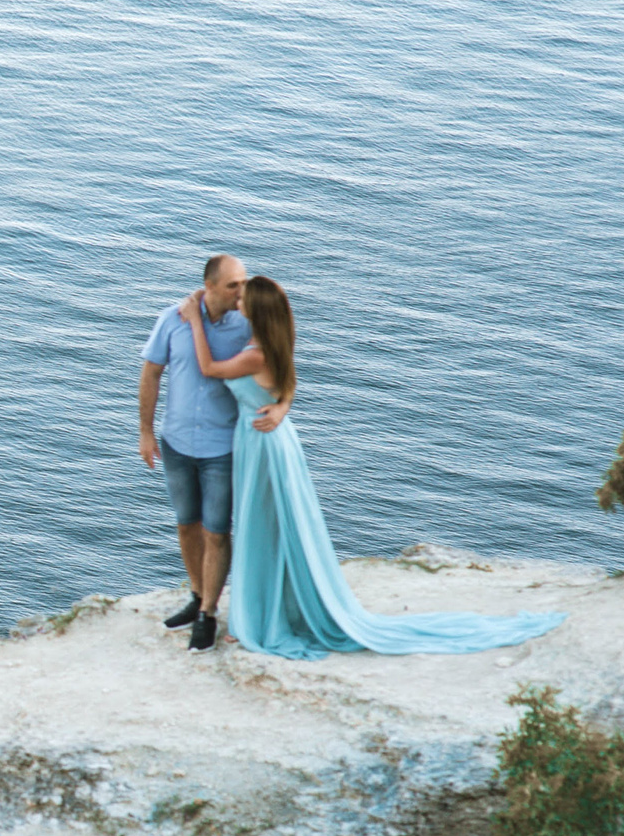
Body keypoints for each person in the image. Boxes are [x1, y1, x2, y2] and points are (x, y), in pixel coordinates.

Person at [176, 277, 566, 658]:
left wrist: (195, 319)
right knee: (271, 528)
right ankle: (269, 611)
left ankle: (264, 620)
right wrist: (281, 405)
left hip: (262, 444)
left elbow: (209, 369)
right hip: (269, 439)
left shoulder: (255, 354)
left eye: (244, 297)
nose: (237, 300)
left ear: (257, 311)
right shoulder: (275, 345)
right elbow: (289, 384)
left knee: (264, 528)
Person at [138, 255, 286, 651]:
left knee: (216, 531)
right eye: (234, 285)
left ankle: (208, 613)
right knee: (187, 524)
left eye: (243, 283)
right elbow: (151, 373)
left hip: (224, 446)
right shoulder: (172, 318)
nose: (242, 291)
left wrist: (283, 404)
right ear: (210, 286)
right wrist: (145, 432)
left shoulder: (248, 324)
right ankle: (197, 594)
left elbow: (283, 361)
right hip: (177, 441)